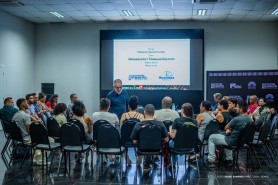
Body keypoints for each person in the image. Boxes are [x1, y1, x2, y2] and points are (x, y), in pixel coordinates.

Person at [207, 101, 252, 168]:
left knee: (211, 137)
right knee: (227, 136)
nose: (236, 108)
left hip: (232, 141)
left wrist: (228, 129)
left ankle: (211, 160)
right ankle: (229, 159)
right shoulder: (250, 119)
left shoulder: (236, 119)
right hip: (242, 142)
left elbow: (226, 127)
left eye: (237, 107)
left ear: (241, 109)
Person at [130, 104, 169, 173]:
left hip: (142, 148)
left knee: (146, 144)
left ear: (144, 112)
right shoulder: (160, 124)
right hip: (157, 149)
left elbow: (134, 141)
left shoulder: (138, 124)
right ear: (154, 113)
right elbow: (166, 139)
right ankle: (150, 161)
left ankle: (147, 163)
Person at [169, 103, 198, 169]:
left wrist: (170, 128)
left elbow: (173, 136)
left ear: (182, 110)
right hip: (191, 147)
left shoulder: (177, 120)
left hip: (177, 146)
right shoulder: (195, 121)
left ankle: (172, 165)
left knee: (169, 143)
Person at [120, 95, 144, 166]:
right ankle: (139, 157)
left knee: (121, 142)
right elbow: (143, 130)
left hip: (125, 140)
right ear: (137, 106)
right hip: (137, 140)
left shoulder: (124, 115)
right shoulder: (141, 116)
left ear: (128, 106)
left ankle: (127, 158)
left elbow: (121, 129)